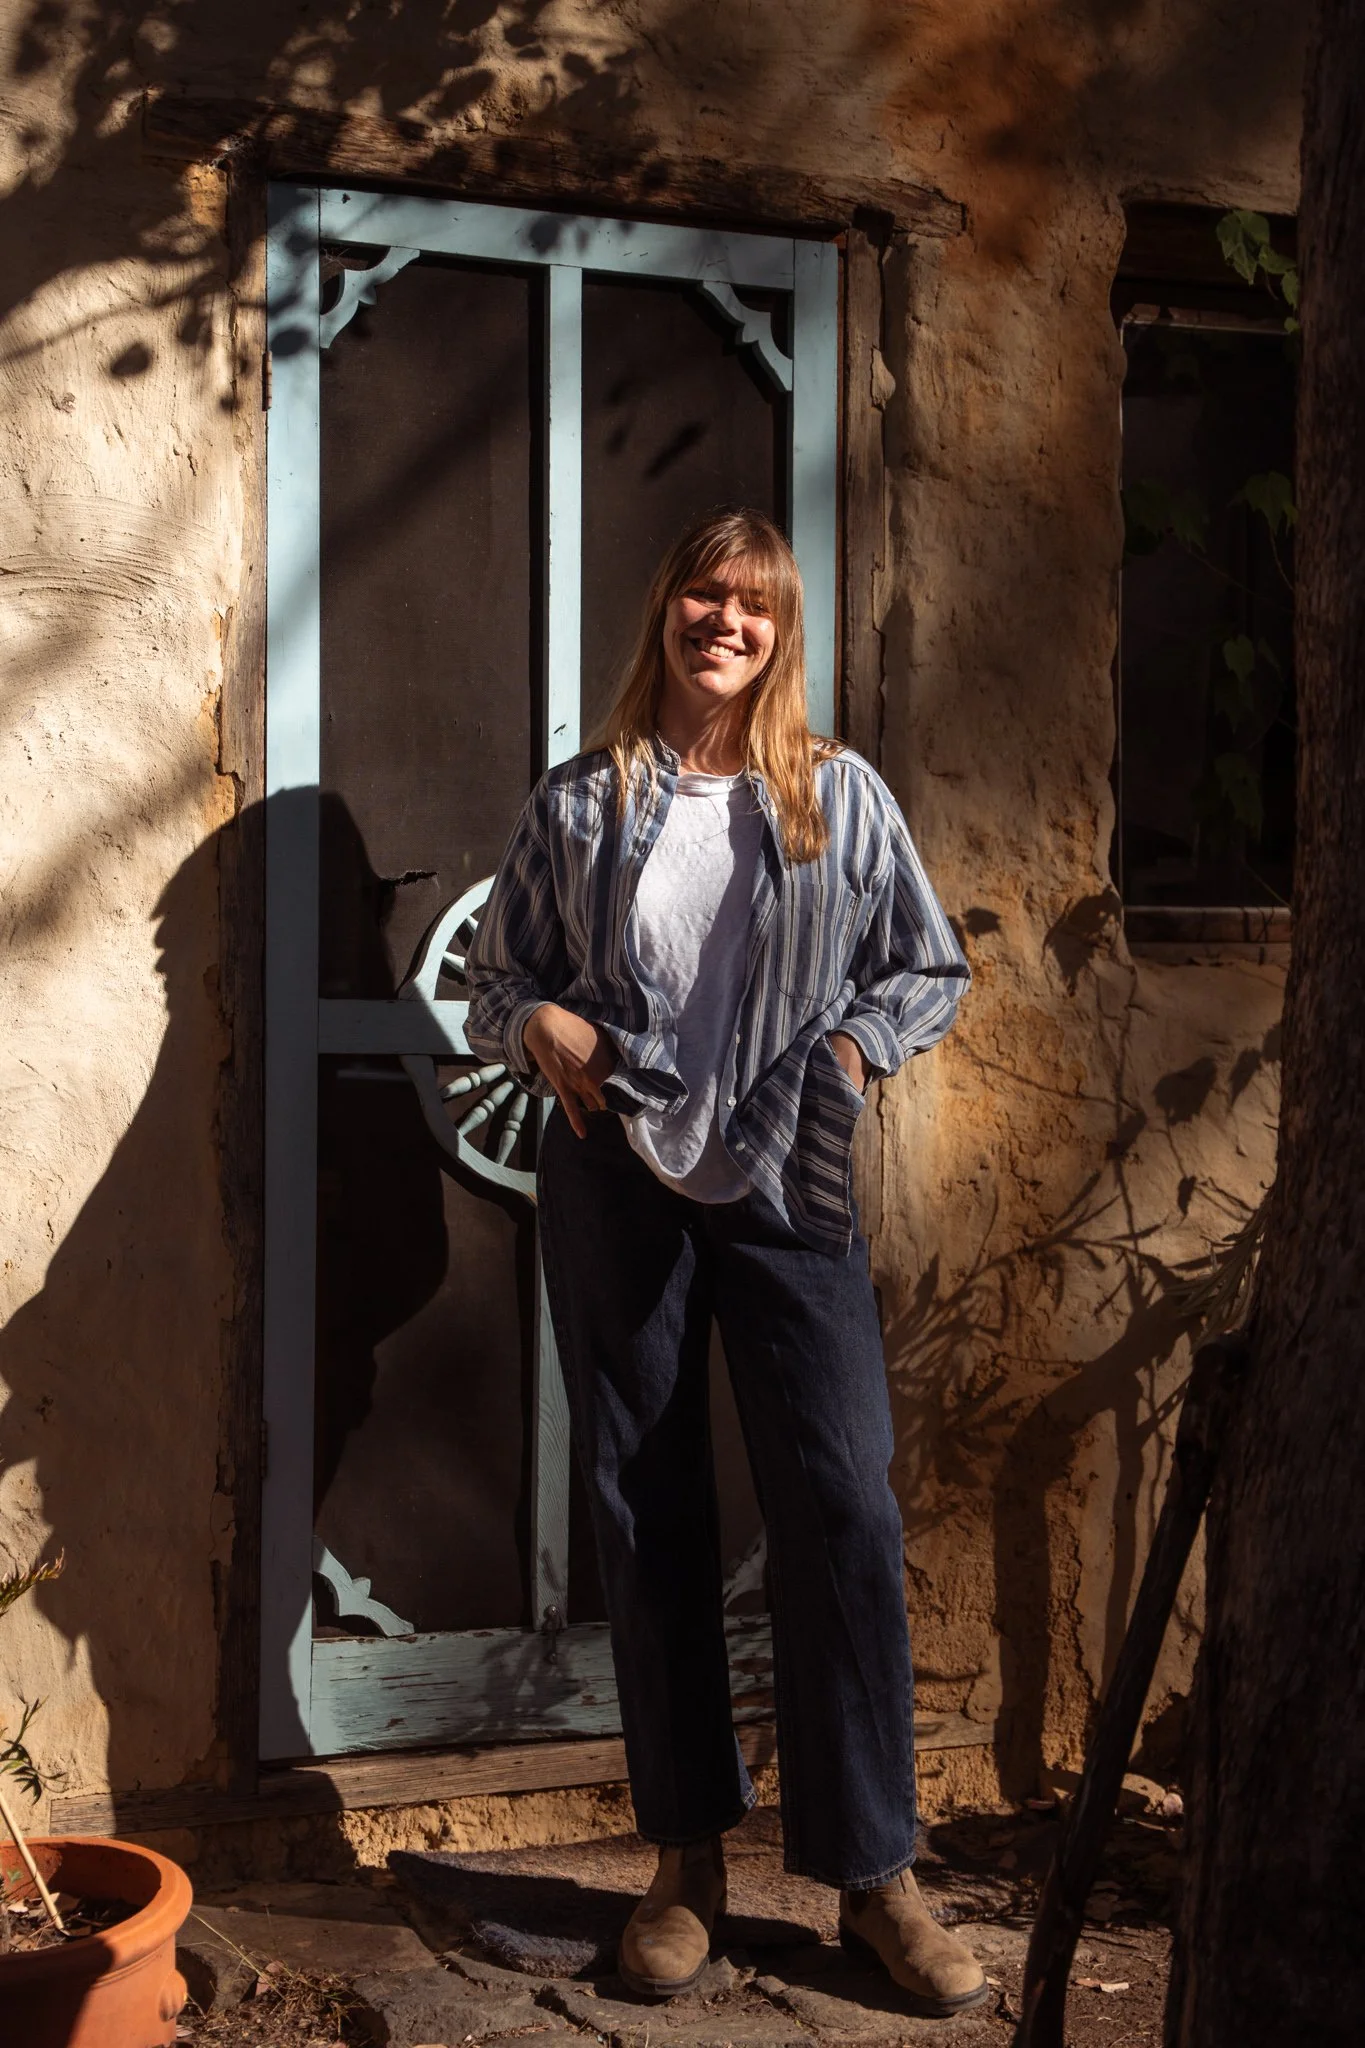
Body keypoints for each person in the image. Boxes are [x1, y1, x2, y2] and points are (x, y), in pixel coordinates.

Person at [465, 507, 983, 2017]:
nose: (726, 624)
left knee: (844, 1503)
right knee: (647, 1503)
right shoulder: (581, 801)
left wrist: (849, 1054)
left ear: (780, 632)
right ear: (667, 611)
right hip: (614, 1177)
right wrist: (536, 1024)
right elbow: (498, 975)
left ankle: (874, 1875)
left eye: (754, 605)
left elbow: (927, 965)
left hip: (787, 1179)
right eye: (705, 595)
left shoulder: (839, 795)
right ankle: (686, 1861)